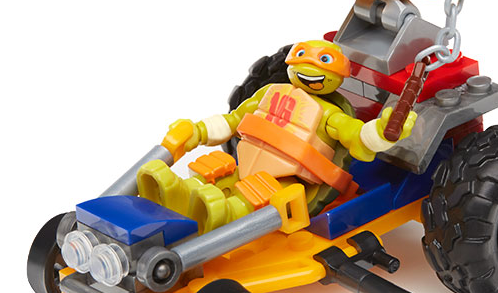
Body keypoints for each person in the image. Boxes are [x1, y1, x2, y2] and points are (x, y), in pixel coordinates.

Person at [137, 40, 417, 232]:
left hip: (289, 181)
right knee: (215, 175)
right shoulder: (269, 93)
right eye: (301, 59)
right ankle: (175, 195)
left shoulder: (330, 115)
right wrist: (197, 130)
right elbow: (233, 120)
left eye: (322, 63)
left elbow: (358, 138)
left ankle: (218, 217)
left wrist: (381, 132)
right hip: (248, 164)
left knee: (251, 196)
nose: (309, 70)